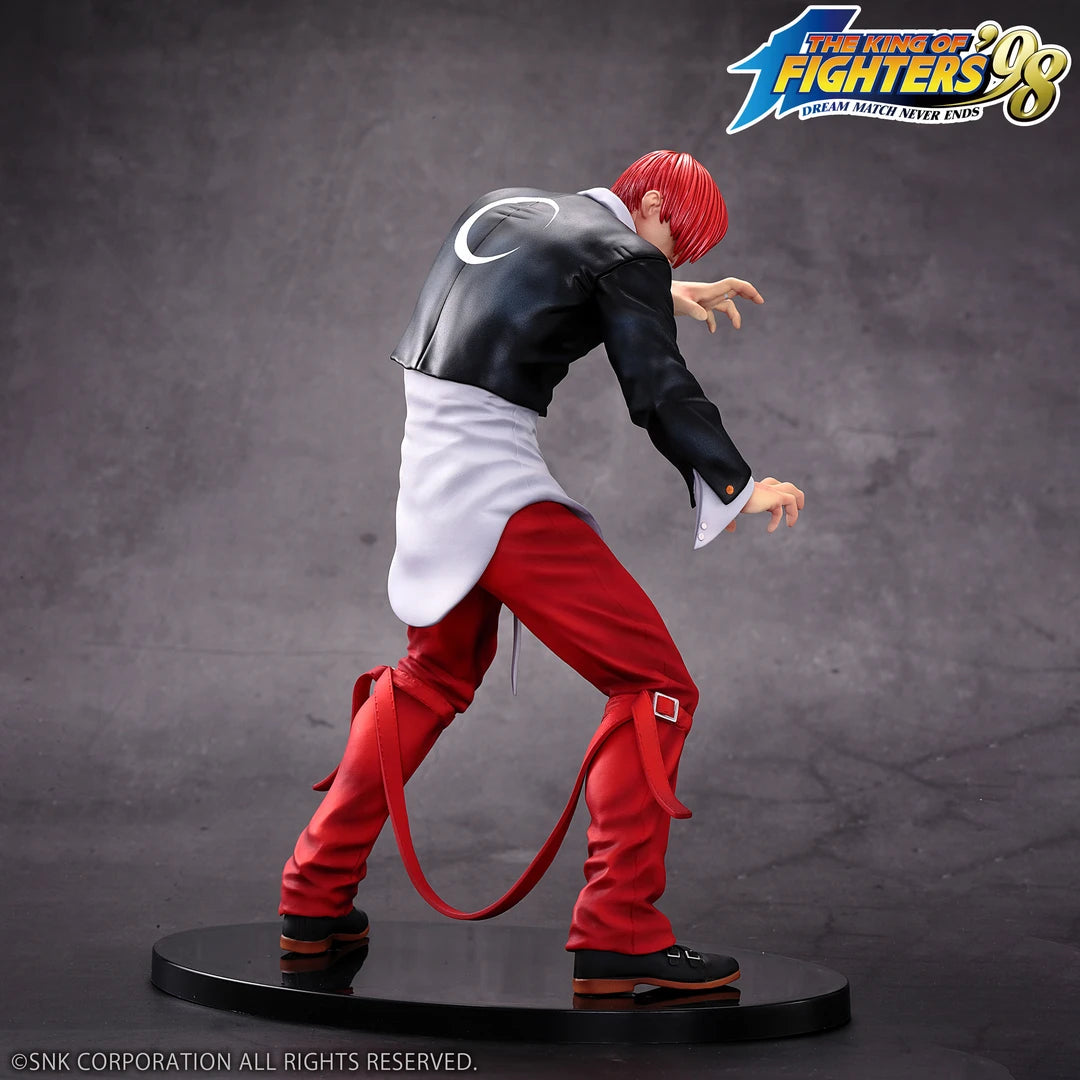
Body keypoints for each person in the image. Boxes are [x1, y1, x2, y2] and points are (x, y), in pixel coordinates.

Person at [278, 150, 805, 995]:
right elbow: (657, 386)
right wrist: (736, 487)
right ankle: (619, 927)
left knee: (429, 676)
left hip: (430, 477)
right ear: (654, 202)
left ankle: (311, 897)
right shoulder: (624, 254)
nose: (670, 260)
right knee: (655, 684)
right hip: (496, 490)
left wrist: (660, 288)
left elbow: (533, 281)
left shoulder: (510, 205)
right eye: (676, 244)